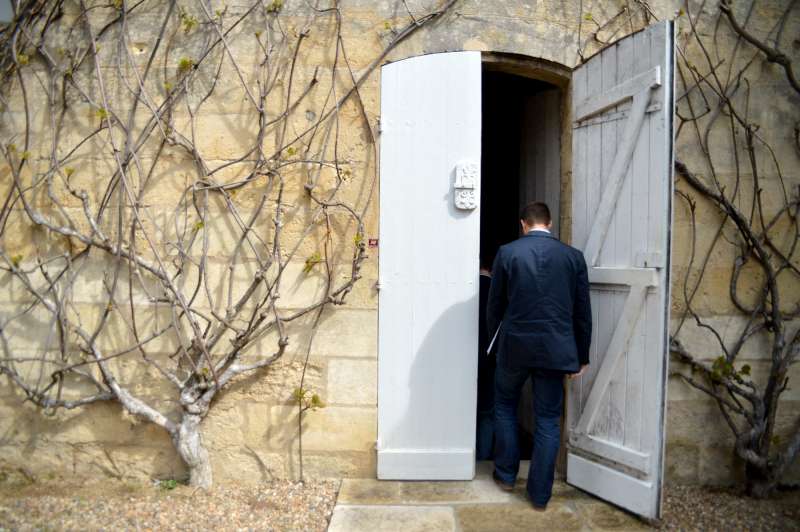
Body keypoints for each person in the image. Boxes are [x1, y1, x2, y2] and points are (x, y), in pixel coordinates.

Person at [486, 201, 592, 510]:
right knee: (547, 419)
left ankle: (506, 474)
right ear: (550, 224)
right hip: (556, 350)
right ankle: (540, 495)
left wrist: (495, 342)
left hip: (515, 347)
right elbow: (582, 313)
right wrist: (581, 355)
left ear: (523, 224)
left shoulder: (507, 253)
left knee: (505, 406)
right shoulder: (573, 258)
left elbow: (495, 306)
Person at [476, 262, 495, 460]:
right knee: (488, 412)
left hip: (462, 359)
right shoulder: (498, 291)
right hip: (491, 360)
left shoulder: (461, 290)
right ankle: (483, 456)